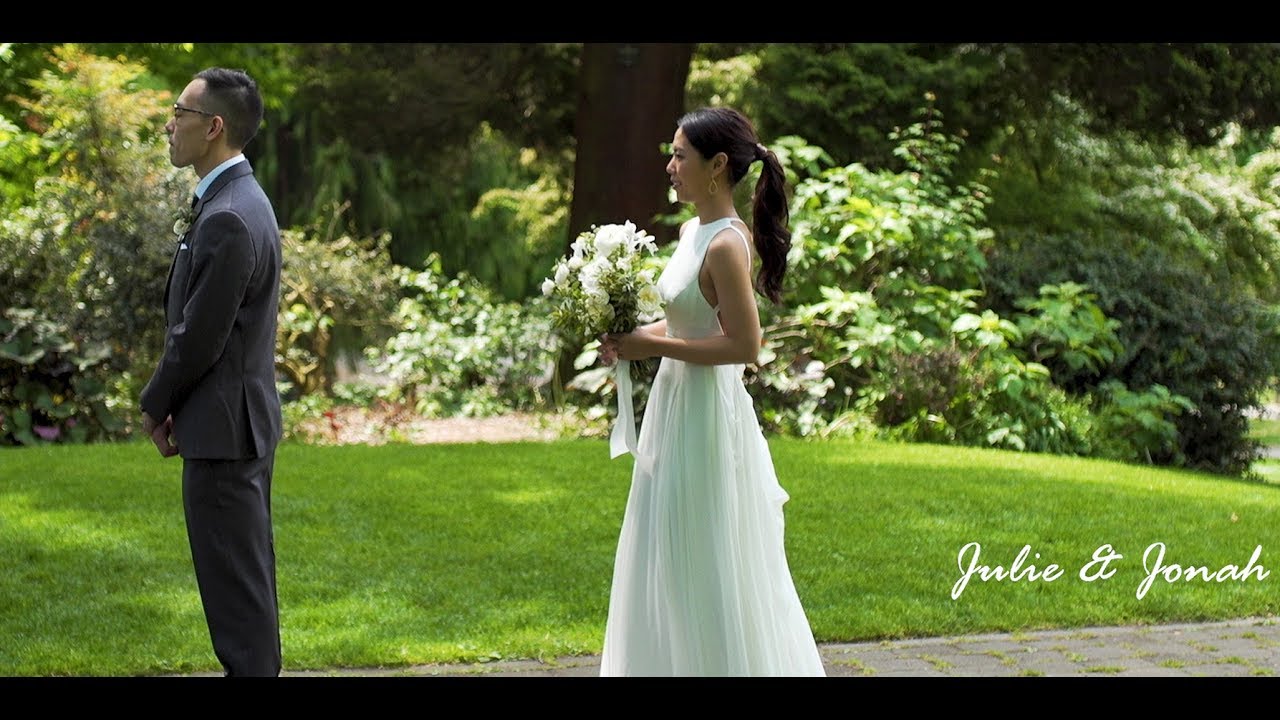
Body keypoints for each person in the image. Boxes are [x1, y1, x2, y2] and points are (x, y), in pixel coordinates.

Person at [597, 106, 826, 676]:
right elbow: (683, 324)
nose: (671, 167)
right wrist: (630, 340)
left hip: (704, 414)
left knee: (702, 555)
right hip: (673, 410)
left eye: (680, 156)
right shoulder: (689, 232)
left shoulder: (726, 244)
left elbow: (743, 347)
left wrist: (657, 349)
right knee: (663, 554)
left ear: (718, 166)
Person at [140, 67, 284, 677]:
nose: (169, 125)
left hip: (224, 432)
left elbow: (199, 337)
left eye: (181, 113)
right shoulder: (239, 201)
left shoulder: (228, 214)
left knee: (237, 600)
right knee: (243, 588)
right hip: (234, 425)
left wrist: (155, 402)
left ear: (214, 127)